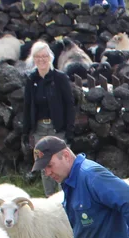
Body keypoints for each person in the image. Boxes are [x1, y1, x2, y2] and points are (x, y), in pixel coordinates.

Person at [23, 42, 77, 196]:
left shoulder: (60, 78)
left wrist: (69, 130)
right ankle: (49, 197)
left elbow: (69, 104)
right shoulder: (31, 80)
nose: (41, 60)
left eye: (44, 56)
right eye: (38, 57)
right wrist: (26, 131)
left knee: (61, 163)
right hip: (40, 128)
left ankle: (64, 197)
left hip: (56, 128)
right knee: (44, 163)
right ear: (33, 59)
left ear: (50, 58)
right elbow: (27, 106)